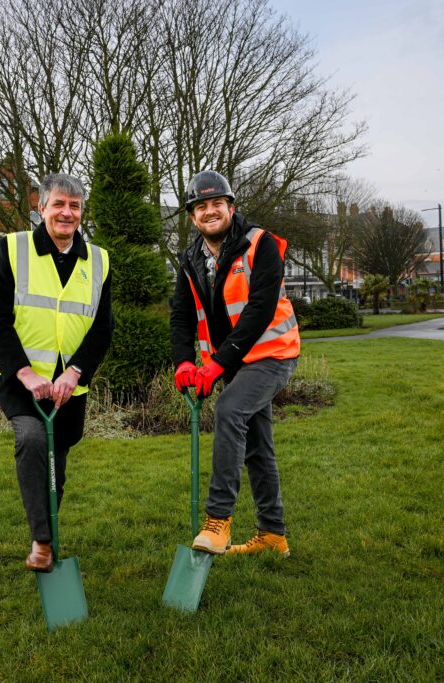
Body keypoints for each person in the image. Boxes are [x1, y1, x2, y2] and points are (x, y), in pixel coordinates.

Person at [0, 173, 113, 572]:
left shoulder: (99, 260)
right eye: (58, 204)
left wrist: (75, 372)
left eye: (74, 206)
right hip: (20, 377)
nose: (66, 213)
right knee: (33, 440)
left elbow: (102, 327)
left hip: (68, 384)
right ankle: (42, 541)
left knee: (58, 456)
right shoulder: (13, 249)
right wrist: (23, 373)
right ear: (41, 208)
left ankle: (46, 528)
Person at [170, 170, 301, 556]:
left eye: (217, 204)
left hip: (272, 353)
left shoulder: (260, 245)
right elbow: (180, 315)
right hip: (236, 363)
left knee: (229, 409)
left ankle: (219, 521)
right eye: (200, 207)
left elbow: (259, 311)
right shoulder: (191, 258)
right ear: (192, 217)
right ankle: (273, 535)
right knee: (258, 445)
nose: (209, 212)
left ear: (231, 207)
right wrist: (183, 362)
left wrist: (217, 364)